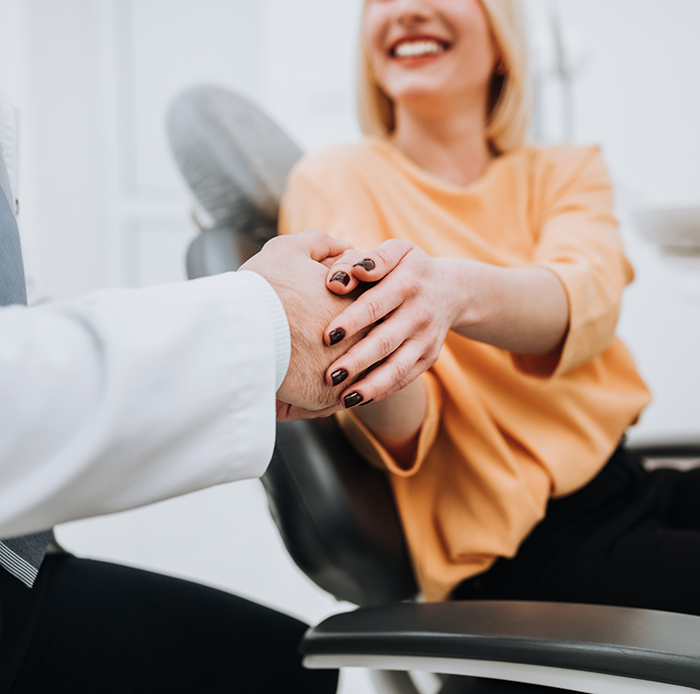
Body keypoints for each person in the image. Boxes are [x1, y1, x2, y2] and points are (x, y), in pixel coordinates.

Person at [279, 0, 700, 616]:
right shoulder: (338, 177)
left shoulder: (564, 169)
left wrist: (451, 291)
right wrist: (371, 355)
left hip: (624, 487)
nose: (407, 11)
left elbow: (586, 296)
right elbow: (400, 424)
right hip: (519, 553)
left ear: (503, 37)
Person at [0, 85, 355, 692]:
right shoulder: (350, 179)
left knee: (284, 669)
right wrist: (264, 328)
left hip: (18, 560)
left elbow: (21, 315)